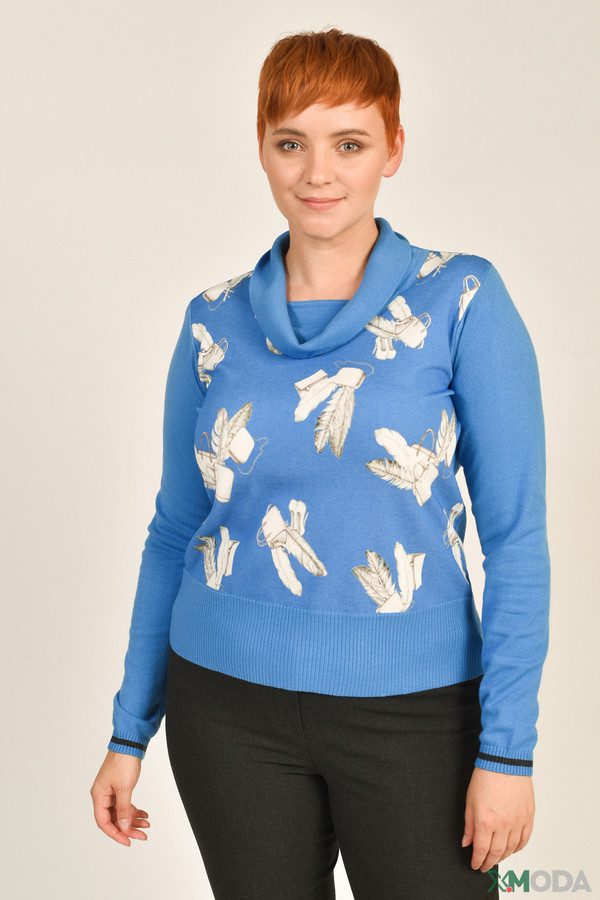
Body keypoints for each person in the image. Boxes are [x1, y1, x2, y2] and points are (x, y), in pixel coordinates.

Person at [90, 27, 550, 899]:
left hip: (415, 716)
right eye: (291, 142)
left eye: (349, 143)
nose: (317, 173)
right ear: (262, 149)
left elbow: (516, 538)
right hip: (224, 707)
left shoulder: (462, 300)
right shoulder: (212, 320)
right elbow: (175, 530)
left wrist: (507, 752)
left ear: (394, 149)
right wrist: (127, 732)